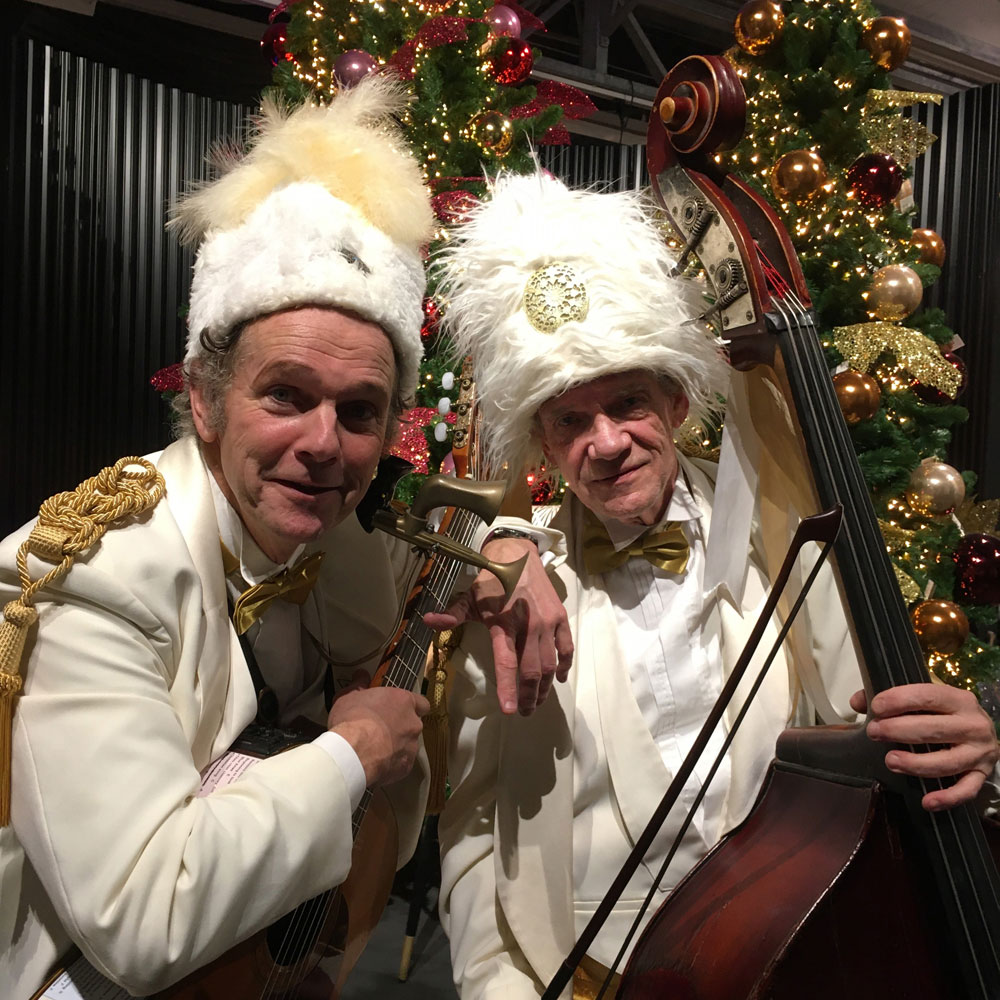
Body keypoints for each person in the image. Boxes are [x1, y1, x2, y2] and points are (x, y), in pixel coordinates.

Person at [0, 82, 565, 1000]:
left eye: (360, 411)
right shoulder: (103, 574)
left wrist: (510, 546)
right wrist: (346, 757)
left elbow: (441, 543)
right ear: (204, 400)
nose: (323, 443)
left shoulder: (336, 538)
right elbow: (143, 918)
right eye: (285, 395)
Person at [432, 171, 1000, 999]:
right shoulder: (513, 585)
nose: (607, 443)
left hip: (789, 955)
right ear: (545, 445)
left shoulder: (787, 530)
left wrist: (961, 745)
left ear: (676, 399)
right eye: (570, 420)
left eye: (628, 402)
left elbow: (871, 733)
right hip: (584, 974)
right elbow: (475, 828)